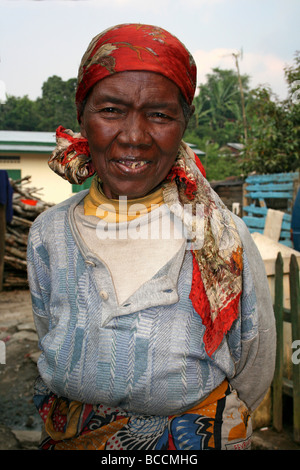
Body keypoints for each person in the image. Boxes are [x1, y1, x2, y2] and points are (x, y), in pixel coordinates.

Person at [27, 23, 276, 451]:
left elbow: (254, 360)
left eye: (159, 114)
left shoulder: (218, 235)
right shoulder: (48, 233)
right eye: (111, 110)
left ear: (183, 125)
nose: (135, 137)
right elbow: (49, 327)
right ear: (82, 117)